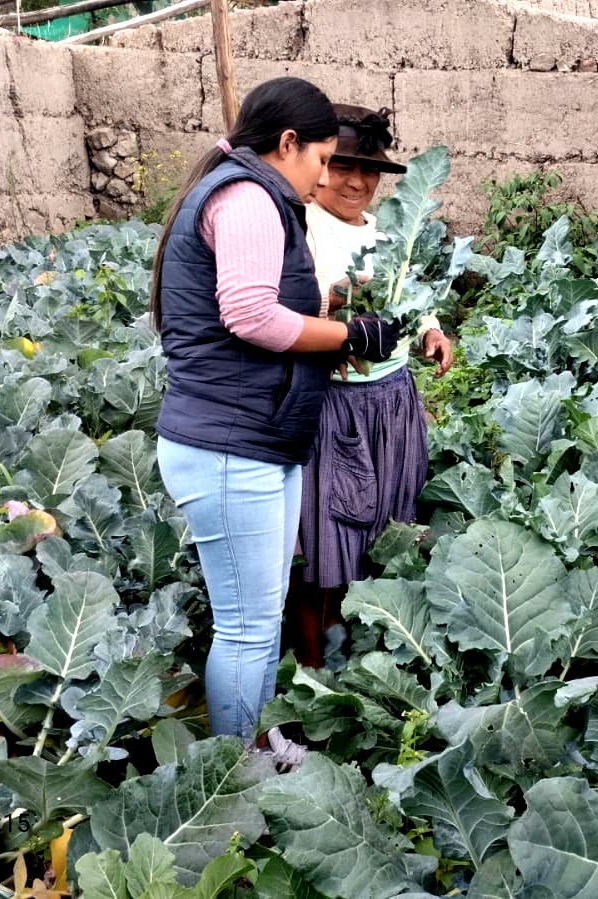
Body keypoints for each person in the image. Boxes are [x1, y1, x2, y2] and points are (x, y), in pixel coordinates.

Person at [151, 78, 401, 765]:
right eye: (322, 159)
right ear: (287, 143)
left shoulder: (249, 193)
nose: (325, 177)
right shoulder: (246, 199)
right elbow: (251, 317)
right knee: (245, 627)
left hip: (254, 440)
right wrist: (347, 334)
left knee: (259, 622)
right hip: (230, 446)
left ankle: (257, 742)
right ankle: (232, 772)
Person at [288, 105, 453, 668]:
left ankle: (358, 651)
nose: (356, 182)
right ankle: (313, 670)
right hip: (334, 407)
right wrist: (339, 302)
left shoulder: (386, 235)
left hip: (394, 401)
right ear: (320, 165)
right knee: (324, 539)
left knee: (385, 527)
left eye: (370, 171)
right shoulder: (302, 227)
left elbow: (410, 298)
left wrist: (431, 331)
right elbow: (290, 308)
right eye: (342, 167)